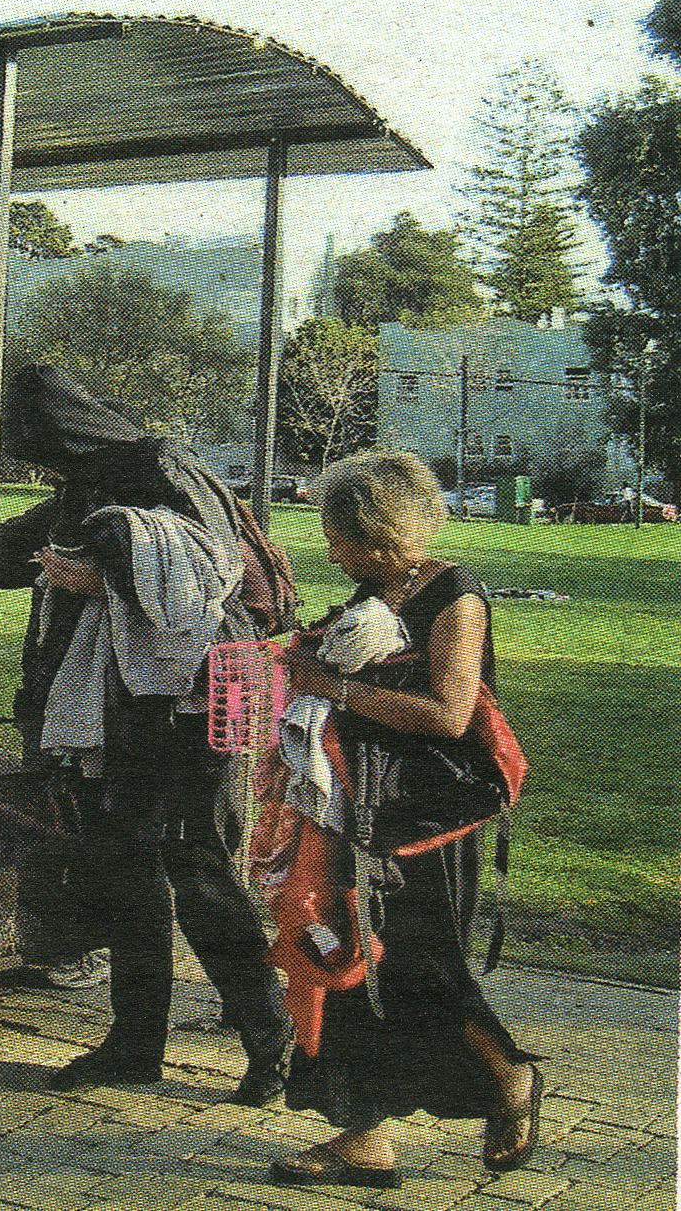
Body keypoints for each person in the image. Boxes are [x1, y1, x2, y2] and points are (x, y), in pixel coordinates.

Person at [0, 365, 291, 1104]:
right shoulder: (84, 483)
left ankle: (274, 1040)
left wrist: (108, 572)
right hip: (118, 721)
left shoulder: (161, 467)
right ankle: (134, 1043)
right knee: (127, 875)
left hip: (188, 708)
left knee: (200, 872)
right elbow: (19, 550)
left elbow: (202, 574)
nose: (32, 459)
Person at [269, 451, 540, 1188]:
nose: (328, 549)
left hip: (424, 814)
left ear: (380, 536)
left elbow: (449, 716)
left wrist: (334, 686)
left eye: (337, 536)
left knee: (419, 964)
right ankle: (363, 1138)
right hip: (364, 804)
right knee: (349, 962)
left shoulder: (455, 594)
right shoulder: (380, 585)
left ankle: (508, 1076)